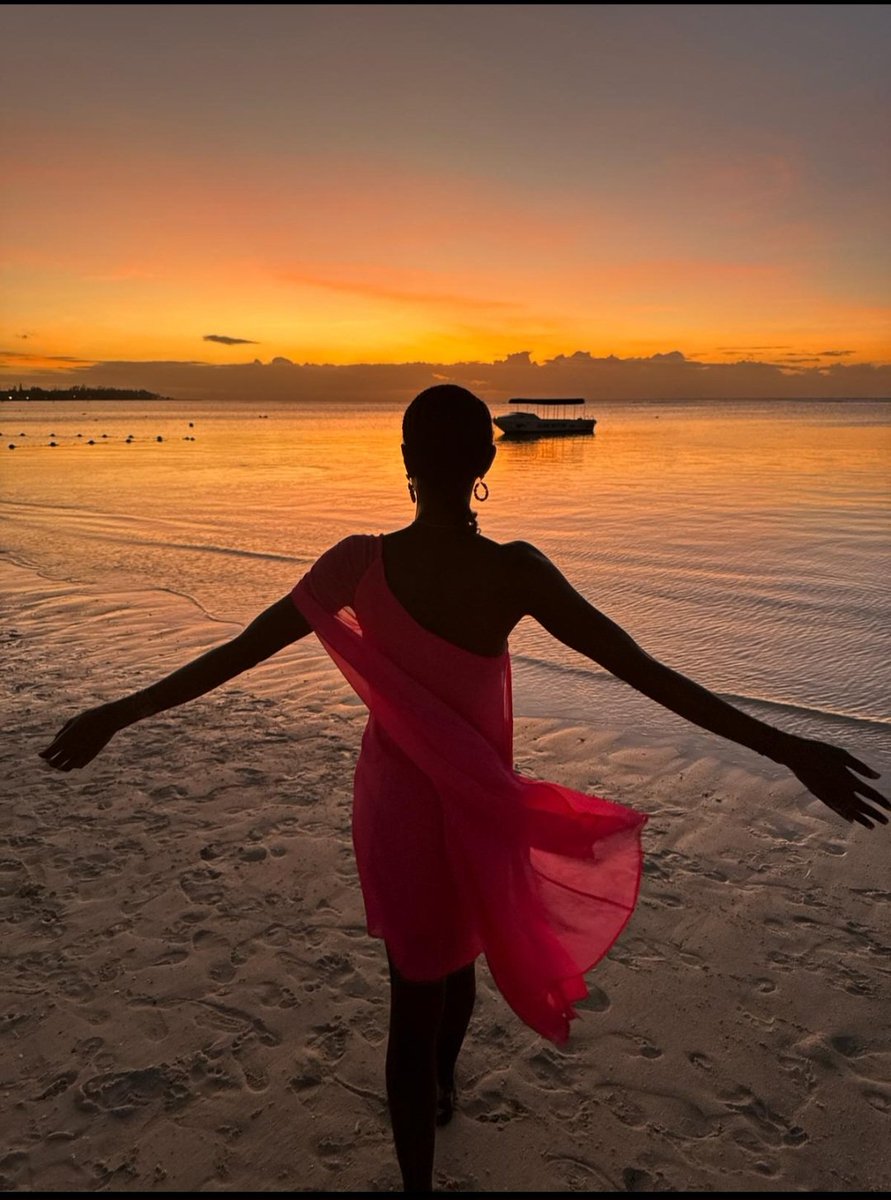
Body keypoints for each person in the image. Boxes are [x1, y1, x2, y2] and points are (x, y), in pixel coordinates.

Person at [40, 385, 887, 1193]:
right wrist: (781, 747)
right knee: (450, 961)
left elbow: (239, 651)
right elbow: (642, 670)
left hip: (394, 809)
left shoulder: (355, 563)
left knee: (422, 975)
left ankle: (428, 1125)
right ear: (487, 455)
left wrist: (122, 711)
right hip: (475, 803)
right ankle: (436, 1102)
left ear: (404, 457)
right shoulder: (514, 572)